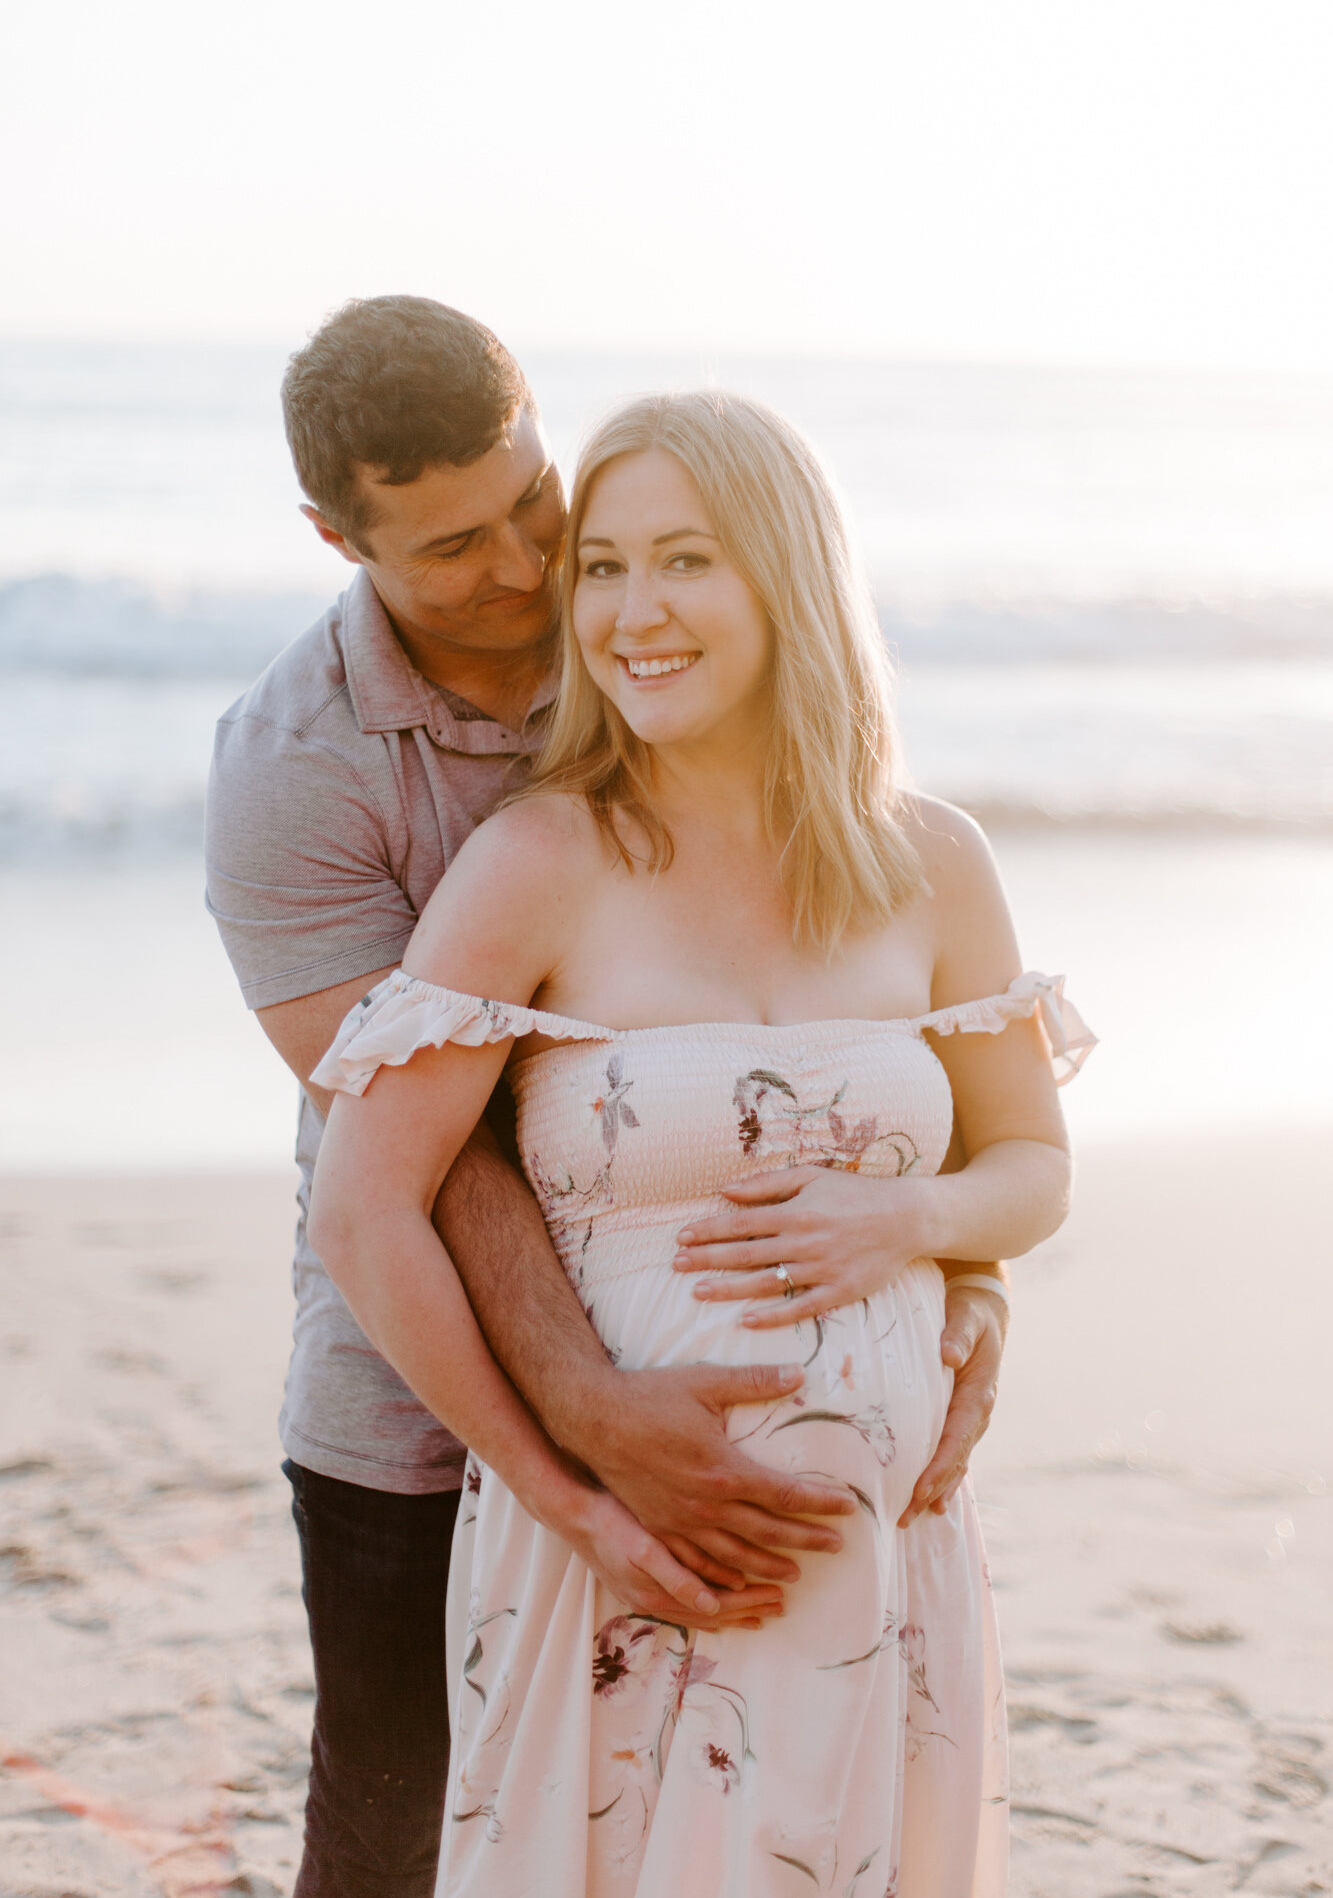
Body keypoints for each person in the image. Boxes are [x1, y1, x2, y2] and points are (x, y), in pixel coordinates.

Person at [204, 298, 1018, 1897]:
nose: (521, 572)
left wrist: (953, 1279)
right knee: (394, 1837)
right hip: (418, 1413)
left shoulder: (694, 686)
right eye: (452, 548)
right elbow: (432, 1167)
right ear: (335, 538)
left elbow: (898, 1081)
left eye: (534, 510)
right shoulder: (300, 770)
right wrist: (578, 1441)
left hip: (810, 1521)